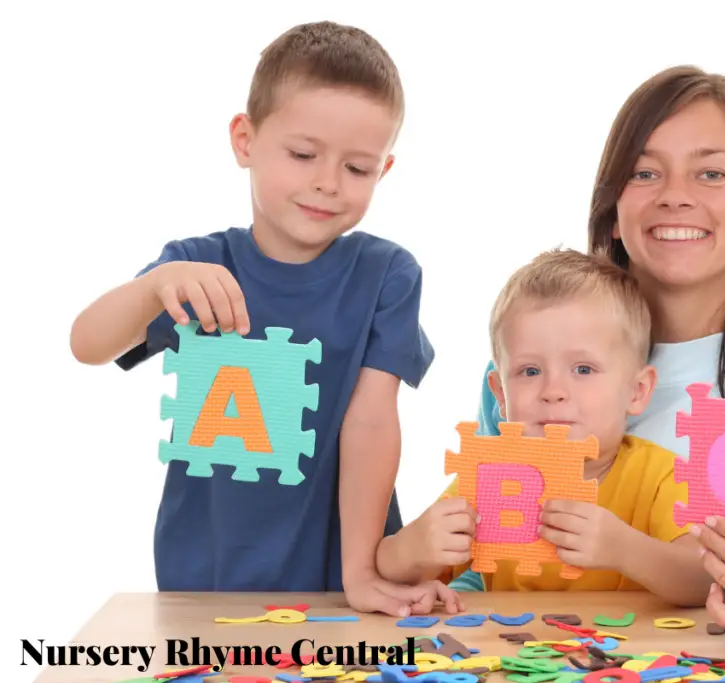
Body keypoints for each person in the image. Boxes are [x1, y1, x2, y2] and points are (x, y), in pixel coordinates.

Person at [69, 21, 460, 617]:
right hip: (203, 581)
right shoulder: (192, 267)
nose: (327, 182)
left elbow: (373, 423)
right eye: (303, 155)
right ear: (245, 140)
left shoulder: (388, 274)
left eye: (357, 169)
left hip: (336, 582)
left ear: (383, 171)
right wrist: (154, 287)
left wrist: (360, 571)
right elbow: (87, 344)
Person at [466, 66, 725, 628]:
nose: (676, 196)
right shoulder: (532, 369)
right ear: (614, 212)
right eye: (645, 172)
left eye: (711, 173)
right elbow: (486, 548)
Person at [377, 248, 705, 602]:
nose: (553, 392)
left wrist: (626, 550)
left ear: (637, 391)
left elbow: (704, 580)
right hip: (511, 653)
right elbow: (388, 570)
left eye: (583, 369)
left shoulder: (661, 476)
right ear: (501, 396)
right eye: (530, 371)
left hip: (630, 656)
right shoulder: (488, 479)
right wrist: (413, 550)